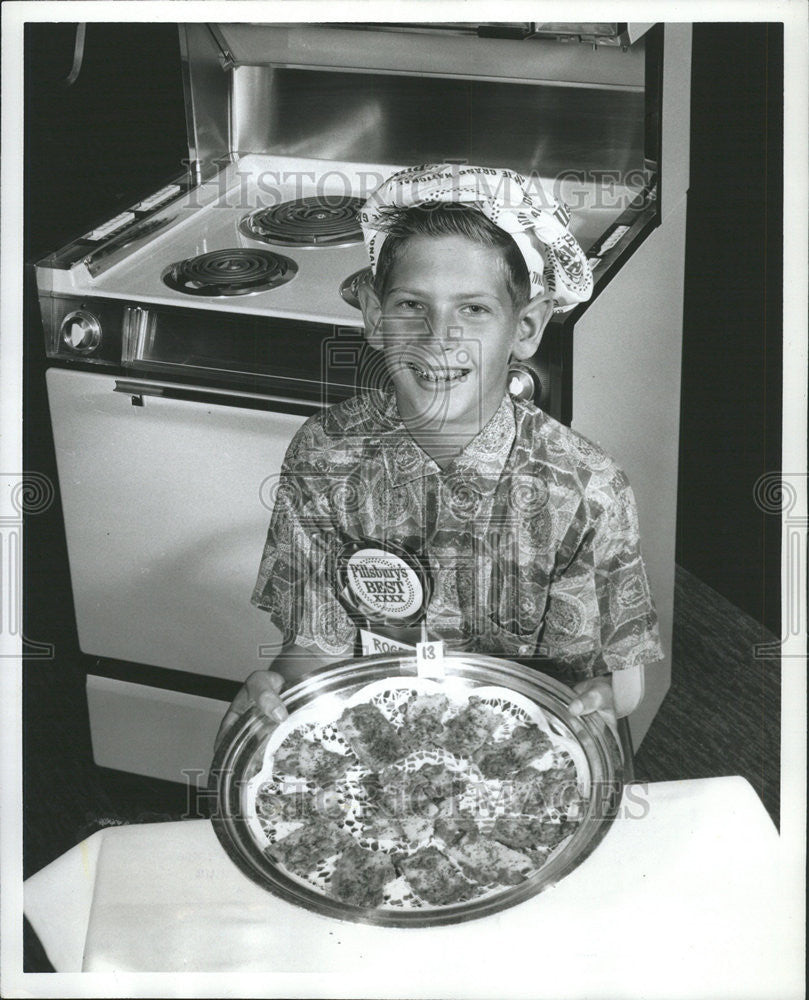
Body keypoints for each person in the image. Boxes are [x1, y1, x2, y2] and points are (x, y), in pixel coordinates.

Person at [215, 163, 663, 748]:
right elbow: (315, 646)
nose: (437, 338)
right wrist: (281, 693)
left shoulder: (586, 489)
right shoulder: (324, 453)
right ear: (375, 317)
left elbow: (612, 684)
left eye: (473, 309)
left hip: (523, 748)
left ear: (525, 327)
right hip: (373, 744)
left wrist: (603, 699)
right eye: (410, 306)